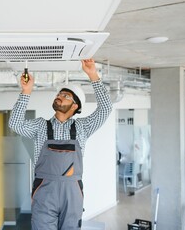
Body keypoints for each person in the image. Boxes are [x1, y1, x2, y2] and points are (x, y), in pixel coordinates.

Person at [8, 58, 112, 230]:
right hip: (44, 191)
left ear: (75, 105)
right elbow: (15, 124)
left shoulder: (82, 127)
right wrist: (26, 92)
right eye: (59, 94)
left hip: (72, 194)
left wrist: (93, 74)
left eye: (66, 96)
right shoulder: (41, 126)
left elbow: (106, 108)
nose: (59, 96)